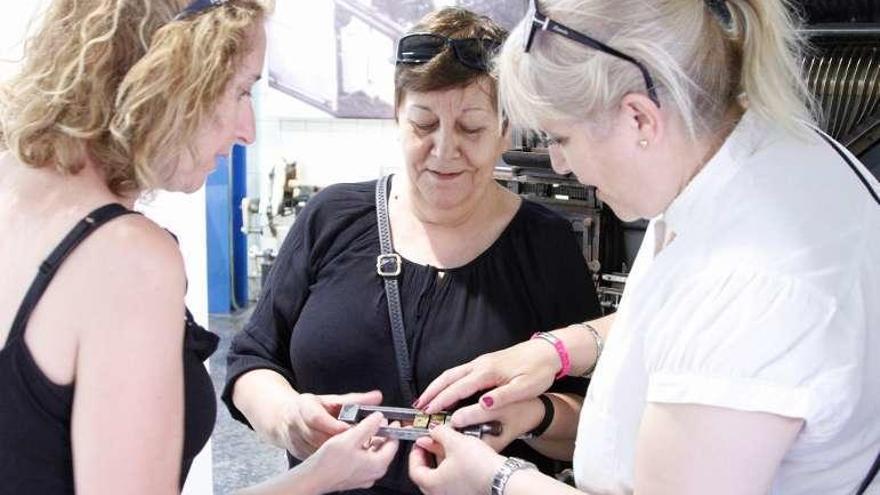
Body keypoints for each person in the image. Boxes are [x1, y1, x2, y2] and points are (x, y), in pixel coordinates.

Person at [407, 0, 880, 494]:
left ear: (639, 120)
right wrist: (561, 351)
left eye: (561, 137)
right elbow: (687, 318)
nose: (560, 164)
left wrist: (495, 479)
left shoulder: (754, 282)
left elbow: (724, 315)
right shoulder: (743, 155)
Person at [0, 0, 398, 493]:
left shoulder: (14, 189)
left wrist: (319, 470)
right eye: (240, 91)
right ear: (172, 78)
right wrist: (318, 480)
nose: (246, 130)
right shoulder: (126, 258)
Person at [222, 6, 602, 495]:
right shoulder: (331, 217)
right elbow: (252, 360)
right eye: (424, 124)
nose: (445, 151)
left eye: (471, 129)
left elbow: (588, 421)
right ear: (396, 115)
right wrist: (287, 418)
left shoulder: (544, 246)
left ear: (506, 130)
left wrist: (532, 416)